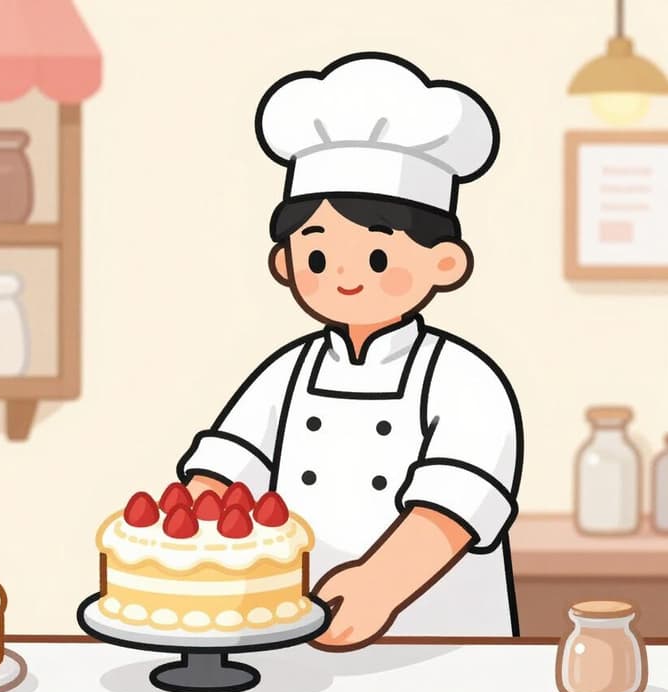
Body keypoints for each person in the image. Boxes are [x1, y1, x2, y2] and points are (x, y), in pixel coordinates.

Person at [177, 52, 523, 648]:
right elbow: (225, 470)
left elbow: (454, 506)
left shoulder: (465, 379)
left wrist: (379, 585)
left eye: (378, 255)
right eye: (316, 255)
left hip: (439, 635)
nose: (343, 276)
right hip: (288, 620)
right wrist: (189, 543)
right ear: (285, 264)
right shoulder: (289, 372)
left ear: (445, 263)